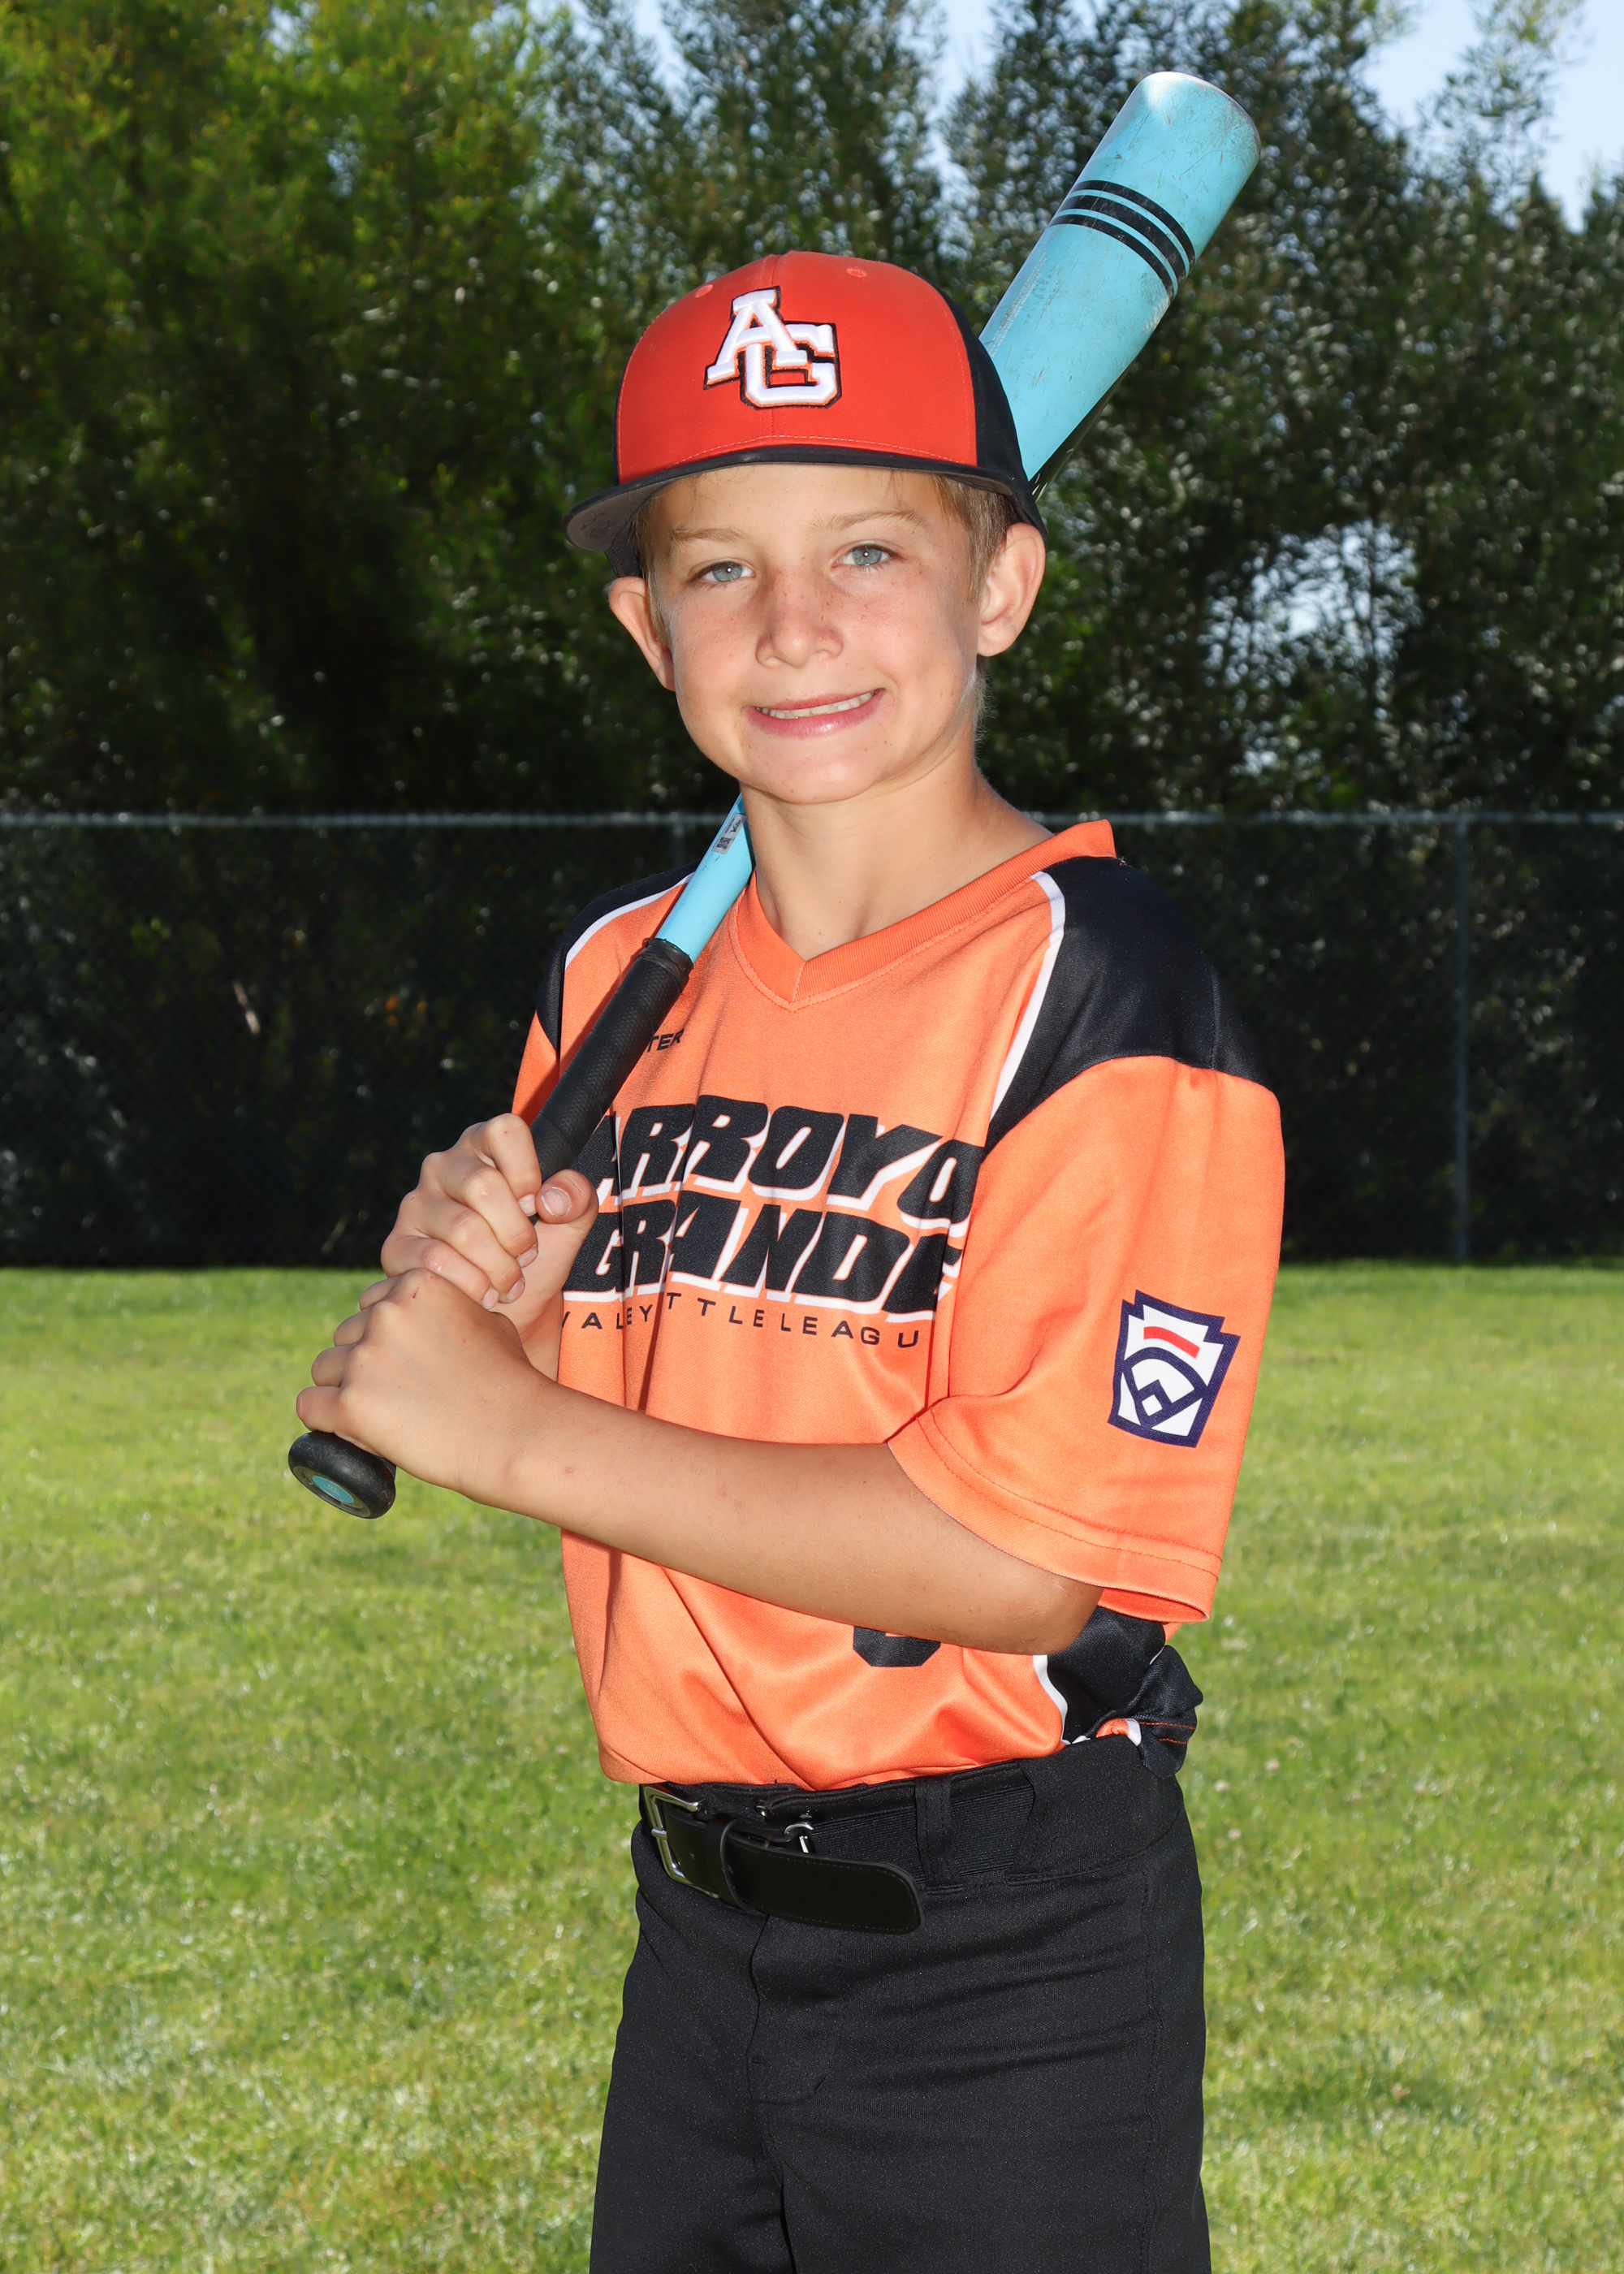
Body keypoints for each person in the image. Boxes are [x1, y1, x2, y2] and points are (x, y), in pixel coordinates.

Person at [298, 251, 1285, 2273]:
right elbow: (640, 1401)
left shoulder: (1103, 985)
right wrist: (501, 1312)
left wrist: (507, 1428)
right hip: (695, 1931)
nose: (796, 623)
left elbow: (1023, 1560)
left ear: (1000, 587)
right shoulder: (610, 981)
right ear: (646, 627)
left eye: (867, 549)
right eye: (721, 568)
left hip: (1006, 1952)